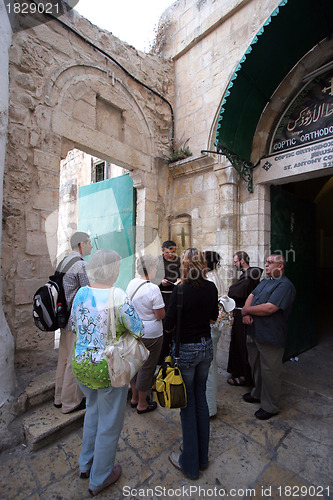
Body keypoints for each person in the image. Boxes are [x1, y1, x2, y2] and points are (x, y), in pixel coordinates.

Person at [71, 249, 144, 496]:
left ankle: (85, 464)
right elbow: (139, 329)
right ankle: (99, 478)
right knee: (109, 423)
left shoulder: (81, 294)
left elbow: (74, 325)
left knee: (92, 411)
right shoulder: (119, 296)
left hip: (81, 364)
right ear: (114, 270)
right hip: (107, 369)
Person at [164, 248, 218, 479]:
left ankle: (190, 463)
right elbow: (213, 317)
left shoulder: (180, 290)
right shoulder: (211, 288)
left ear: (184, 266)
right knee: (201, 400)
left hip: (186, 350)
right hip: (205, 347)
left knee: (187, 405)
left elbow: (167, 325)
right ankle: (202, 457)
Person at [241, 254, 296, 420]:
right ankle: (257, 393)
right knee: (256, 366)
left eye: (270, 262)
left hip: (270, 335)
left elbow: (270, 308)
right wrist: (246, 312)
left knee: (270, 371)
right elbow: (251, 295)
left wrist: (246, 311)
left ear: (280, 267)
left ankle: (270, 406)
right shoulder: (266, 281)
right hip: (254, 331)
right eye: (266, 261)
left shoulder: (285, 285)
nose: (266, 265)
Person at [54, 231, 93, 413]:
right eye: (89, 242)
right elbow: (88, 290)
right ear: (81, 244)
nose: (91, 246)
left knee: (63, 358)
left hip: (63, 317)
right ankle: (70, 403)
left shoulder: (63, 262)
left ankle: (58, 397)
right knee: (72, 361)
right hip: (74, 320)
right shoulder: (80, 264)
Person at [126, 254, 165, 414]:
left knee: (135, 366)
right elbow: (160, 315)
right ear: (150, 268)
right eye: (155, 267)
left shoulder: (132, 283)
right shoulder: (153, 288)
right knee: (147, 368)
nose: (156, 270)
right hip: (151, 335)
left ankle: (134, 397)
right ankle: (142, 403)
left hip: (134, 331)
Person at [227, 251, 262, 387]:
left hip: (244, 315)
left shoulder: (249, 276)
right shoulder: (249, 275)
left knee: (242, 346)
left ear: (242, 261)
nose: (235, 264)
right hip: (242, 313)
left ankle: (244, 376)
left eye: (236, 261)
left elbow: (234, 292)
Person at [203, 250, 225, 419]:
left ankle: (209, 408)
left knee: (209, 368)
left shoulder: (209, 280)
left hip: (210, 326)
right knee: (211, 365)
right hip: (215, 326)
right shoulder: (216, 276)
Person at [153, 240, 181, 363]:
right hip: (162, 296)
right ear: (163, 250)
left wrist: (181, 279)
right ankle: (160, 357)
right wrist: (161, 282)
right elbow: (152, 278)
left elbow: (183, 273)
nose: (171, 255)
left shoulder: (178, 260)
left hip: (175, 295)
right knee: (164, 326)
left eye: (173, 252)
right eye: (168, 252)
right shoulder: (157, 261)